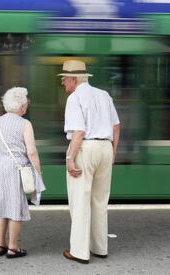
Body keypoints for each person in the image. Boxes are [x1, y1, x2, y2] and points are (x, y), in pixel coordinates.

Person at [58, 60, 120, 264]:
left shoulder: (75, 98)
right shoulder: (104, 95)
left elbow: (79, 131)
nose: (63, 83)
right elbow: (116, 126)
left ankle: (79, 252)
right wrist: (113, 152)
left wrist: (69, 158)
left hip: (85, 149)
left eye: (65, 79)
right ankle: (100, 248)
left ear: (74, 79)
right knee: (100, 201)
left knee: (80, 201)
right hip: (105, 148)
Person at [0, 87, 42, 258]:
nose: (26, 105)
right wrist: (38, 171)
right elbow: (32, 152)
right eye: (26, 102)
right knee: (16, 207)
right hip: (15, 168)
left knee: (2, 204)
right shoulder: (25, 124)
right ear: (21, 105)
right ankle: (12, 248)